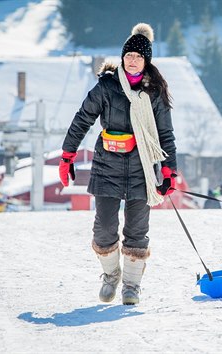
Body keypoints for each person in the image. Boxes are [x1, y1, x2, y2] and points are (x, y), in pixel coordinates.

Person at [59, 23, 177, 305]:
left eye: (138, 56)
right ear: (122, 58)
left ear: (146, 61)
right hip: (107, 167)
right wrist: (67, 155)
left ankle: (132, 286)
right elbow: (82, 119)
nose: (132, 60)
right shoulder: (107, 86)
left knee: (137, 231)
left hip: (142, 170)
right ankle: (111, 275)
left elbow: (165, 134)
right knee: (104, 229)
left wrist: (170, 169)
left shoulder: (154, 92)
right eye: (128, 55)